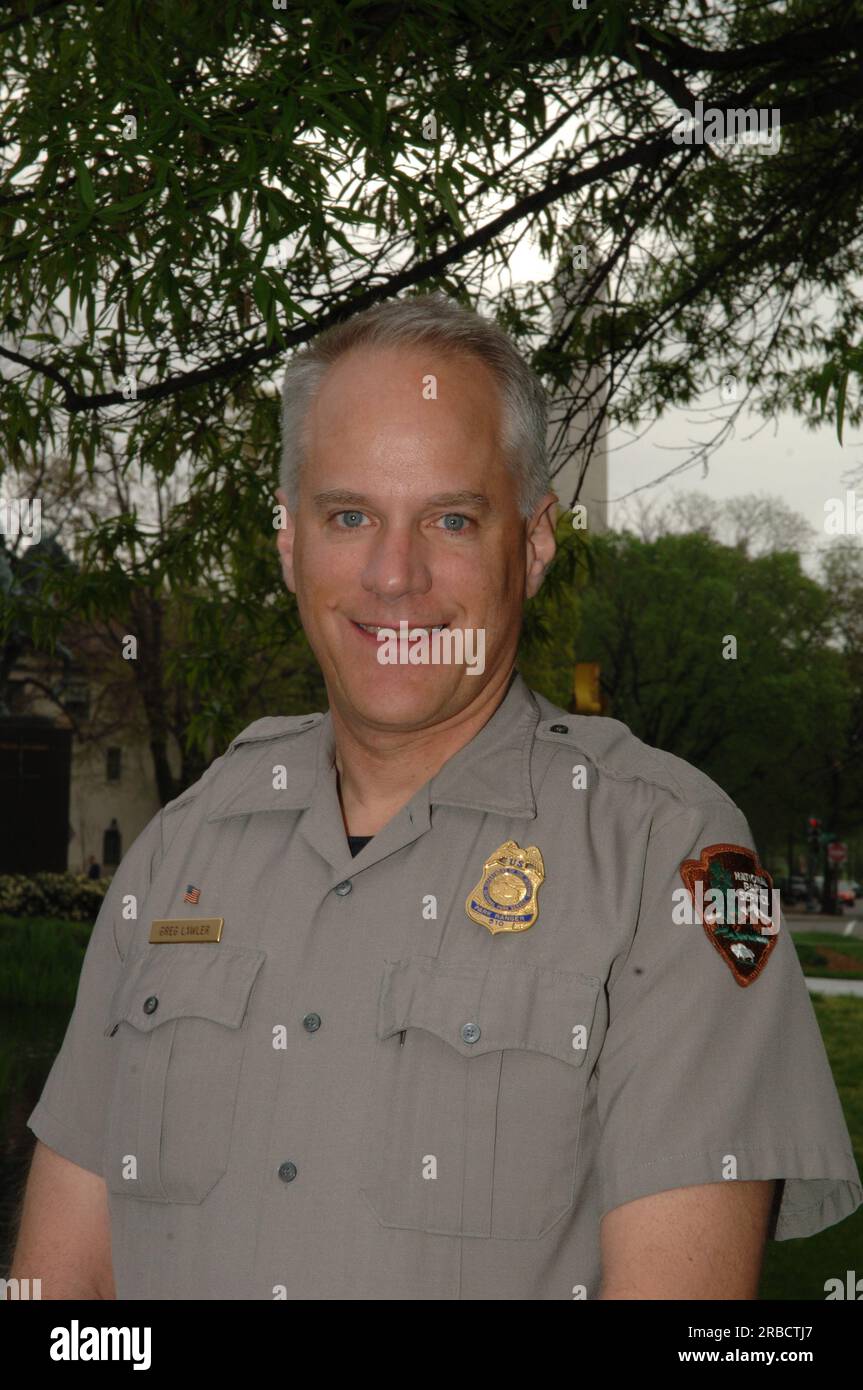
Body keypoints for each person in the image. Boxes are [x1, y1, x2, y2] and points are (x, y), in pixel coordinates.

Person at [10, 295, 861, 1301]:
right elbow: (62, 1291)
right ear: (288, 540)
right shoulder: (181, 853)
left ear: (534, 542)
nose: (393, 575)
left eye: (451, 518)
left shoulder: (663, 857)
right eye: (348, 515)